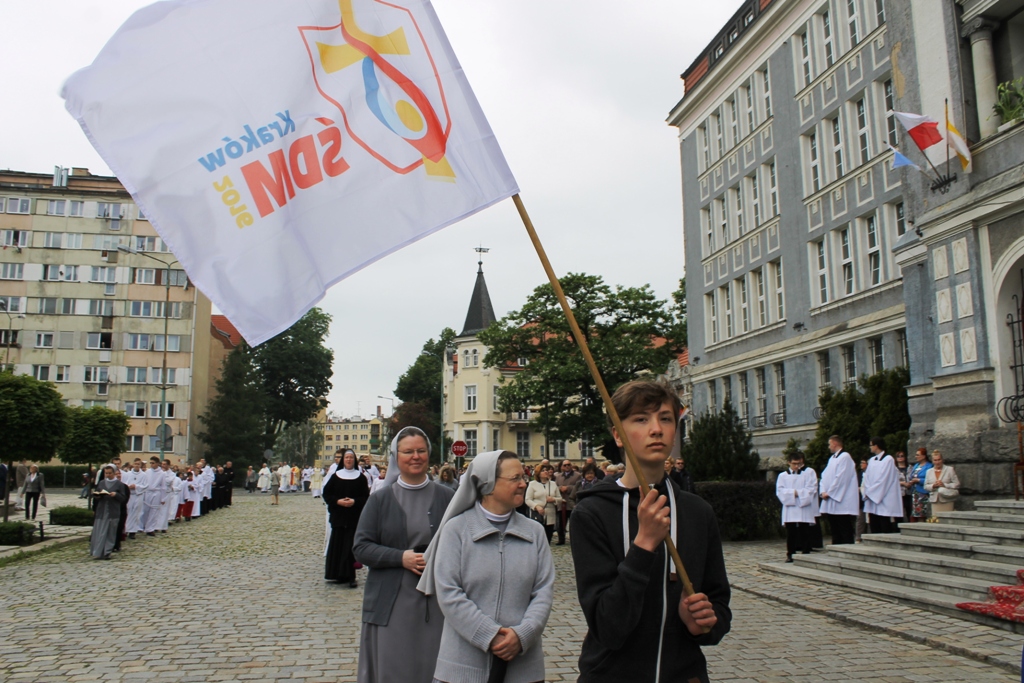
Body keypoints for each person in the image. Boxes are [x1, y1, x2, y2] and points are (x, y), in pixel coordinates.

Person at [571, 380, 731, 682]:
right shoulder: (591, 514)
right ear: (618, 434)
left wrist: (703, 623)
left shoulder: (698, 512)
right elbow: (607, 627)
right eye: (641, 419)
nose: (656, 429)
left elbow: (718, 605)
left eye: (666, 418)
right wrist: (643, 544)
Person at [418, 450, 555, 683]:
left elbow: (543, 591)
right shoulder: (456, 530)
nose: (523, 484)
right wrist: (489, 635)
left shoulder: (535, 532)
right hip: (463, 667)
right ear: (488, 485)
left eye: (524, 477)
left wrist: (522, 635)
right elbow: (449, 592)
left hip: (523, 668)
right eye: (515, 479)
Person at [353, 426, 456, 683]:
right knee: (395, 668)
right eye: (408, 451)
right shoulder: (380, 499)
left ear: (429, 454)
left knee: (434, 667)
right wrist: (401, 557)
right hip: (392, 601)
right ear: (396, 456)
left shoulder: (448, 497)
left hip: (437, 601)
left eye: (421, 450)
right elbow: (361, 547)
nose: (415, 456)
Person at [323, 450, 370, 586]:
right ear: (343, 460)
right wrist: (338, 502)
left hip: (353, 517)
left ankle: (350, 576)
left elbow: (365, 497)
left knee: (349, 546)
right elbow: (327, 494)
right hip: (339, 516)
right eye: (346, 458)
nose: (349, 460)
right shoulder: (335, 476)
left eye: (351, 458)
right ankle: (336, 574)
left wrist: (354, 502)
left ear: (354, 460)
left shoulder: (361, 478)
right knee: (337, 544)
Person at [776, 452, 817, 562]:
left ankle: (806, 552)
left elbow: (811, 489)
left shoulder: (807, 474)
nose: (796, 466)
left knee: (805, 530)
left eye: (799, 464)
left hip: (803, 506)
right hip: (790, 508)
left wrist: (796, 493)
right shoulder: (782, 476)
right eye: (794, 463)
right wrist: (795, 493)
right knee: (791, 532)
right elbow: (780, 492)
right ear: (789, 462)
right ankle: (791, 554)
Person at [819, 435, 859, 545]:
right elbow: (824, 476)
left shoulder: (845, 457)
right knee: (835, 528)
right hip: (831, 499)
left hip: (841, 500)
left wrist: (830, 493)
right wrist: (822, 491)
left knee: (844, 527)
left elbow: (841, 478)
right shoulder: (832, 459)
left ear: (835, 444)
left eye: (829, 444)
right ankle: (836, 547)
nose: (828, 447)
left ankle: (847, 548)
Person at [861, 437, 903, 534]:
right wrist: (867, 491)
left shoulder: (888, 459)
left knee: (884, 522)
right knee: (874, 523)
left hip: (884, 496)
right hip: (872, 497)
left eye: (871, 445)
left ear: (876, 446)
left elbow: (884, 479)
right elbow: (867, 477)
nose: (870, 447)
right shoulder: (871, 460)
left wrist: (871, 493)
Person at [90, 465, 128, 560]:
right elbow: (97, 494)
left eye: (110, 473)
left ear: (114, 473)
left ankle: (107, 551)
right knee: (100, 532)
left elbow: (123, 498)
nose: (108, 475)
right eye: (106, 473)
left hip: (113, 511)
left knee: (110, 532)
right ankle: (98, 552)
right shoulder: (102, 483)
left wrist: (116, 495)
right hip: (101, 511)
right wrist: (98, 496)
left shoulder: (119, 484)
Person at [526, 464, 562, 544]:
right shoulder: (532, 484)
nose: (545, 472)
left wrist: (553, 499)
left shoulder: (553, 484)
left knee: (548, 538)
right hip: (537, 515)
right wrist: (536, 506)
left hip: (550, 515)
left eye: (546, 470)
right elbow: (528, 499)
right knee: (537, 539)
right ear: (538, 473)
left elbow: (560, 499)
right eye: (543, 471)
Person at [554, 459, 581, 545]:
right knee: (560, 523)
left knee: (573, 523)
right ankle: (561, 539)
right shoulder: (558, 476)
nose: (567, 467)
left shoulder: (577, 475)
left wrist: (568, 488)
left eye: (568, 465)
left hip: (571, 502)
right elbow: (555, 486)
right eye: (565, 465)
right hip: (561, 503)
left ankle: (574, 539)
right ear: (562, 466)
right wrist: (560, 488)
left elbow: (579, 486)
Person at [907, 448, 933, 522]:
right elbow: (912, 476)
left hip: (923, 493)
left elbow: (930, 479)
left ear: (924, 456)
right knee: (915, 513)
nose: (916, 456)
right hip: (915, 492)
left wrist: (918, 480)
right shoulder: (916, 465)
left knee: (922, 513)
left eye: (918, 455)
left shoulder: (929, 466)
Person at [895, 451, 912, 521]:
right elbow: (892, 481)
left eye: (902, 456)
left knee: (910, 511)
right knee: (899, 513)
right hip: (899, 493)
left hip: (909, 492)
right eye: (898, 456)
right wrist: (903, 483)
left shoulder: (910, 468)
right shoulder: (894, 469)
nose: (900, 458)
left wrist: (910, 483)